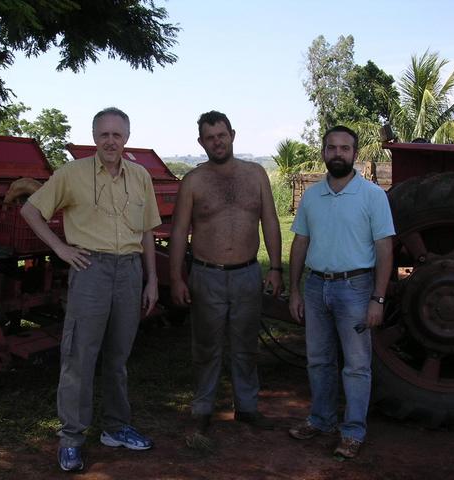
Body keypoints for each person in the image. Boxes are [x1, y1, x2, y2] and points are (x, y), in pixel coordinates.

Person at [21, 107, 161, 473]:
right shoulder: (72, 174)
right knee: (79, 356)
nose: (111, 141)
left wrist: (153, 280)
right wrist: (61, 249)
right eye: (104, 134)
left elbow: (147, 231)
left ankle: (115, 427)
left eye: (117, 134)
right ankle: (71, 438)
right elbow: (31, 210)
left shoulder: (141, 176)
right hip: (91, 269)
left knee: (118, 356)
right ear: (94, 137)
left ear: (126, 137)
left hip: (129, 271)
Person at [169, 110, 283, 437]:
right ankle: (202, 410)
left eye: (221, 135)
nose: (216, 142)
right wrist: (177, 277)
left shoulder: (256, 174)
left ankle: (247, 408)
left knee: (246, 344)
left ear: (232, 134)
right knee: (206, 346)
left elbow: (271, 222)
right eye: (209, 137)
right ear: (201, 142)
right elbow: (179, 232)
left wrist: (275, 268)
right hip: (207, 276)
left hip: (248, 273)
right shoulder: (194, 181)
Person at [287, 125, 394, 459]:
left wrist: (378, 297)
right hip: (316, 285)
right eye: (331, 148)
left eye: (344, 148)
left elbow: (385, 249)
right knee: (318, 360)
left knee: (357, 365)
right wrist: (294, 290)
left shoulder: (373, 196)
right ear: (324, 152)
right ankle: (321, 420)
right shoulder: (311, 196)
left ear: (355, 154)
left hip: (356, 288)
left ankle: (353, 432)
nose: (337, 154)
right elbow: (301, 242)